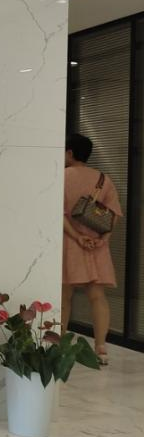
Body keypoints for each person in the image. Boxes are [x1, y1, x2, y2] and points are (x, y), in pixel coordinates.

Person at [62, 133, 122, 365]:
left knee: (64, 297)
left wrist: (77, 236)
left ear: (70, 153)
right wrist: (103, 239)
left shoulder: (61, 177)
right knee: (97, 297)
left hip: (70, 243)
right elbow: (113, 214)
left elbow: (58, 214)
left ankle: (58, 344)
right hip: (96, 245)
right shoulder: (103, 179)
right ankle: (101, 348)